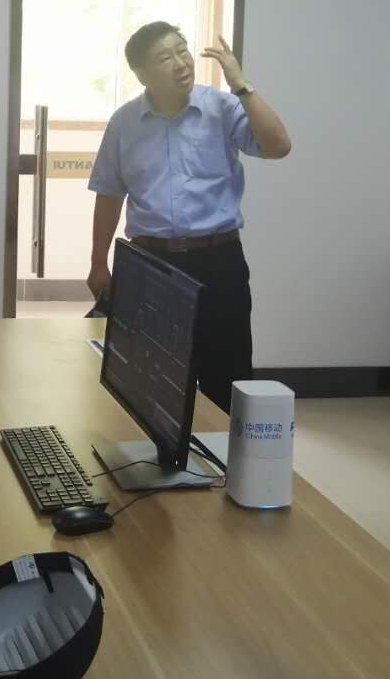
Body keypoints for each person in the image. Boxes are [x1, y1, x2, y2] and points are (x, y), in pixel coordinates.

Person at [87, 21, 291, 414]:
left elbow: (278, 146)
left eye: (183, 51)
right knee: (147, 376)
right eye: (166, 57)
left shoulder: (222, 107)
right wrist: (98, 262)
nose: (181, 63)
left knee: (226, 376)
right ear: (142, 74)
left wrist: (242, 85)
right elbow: (109, 193)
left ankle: (222, 452)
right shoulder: (124, 123)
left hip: (219, 261)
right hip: (151, 263)